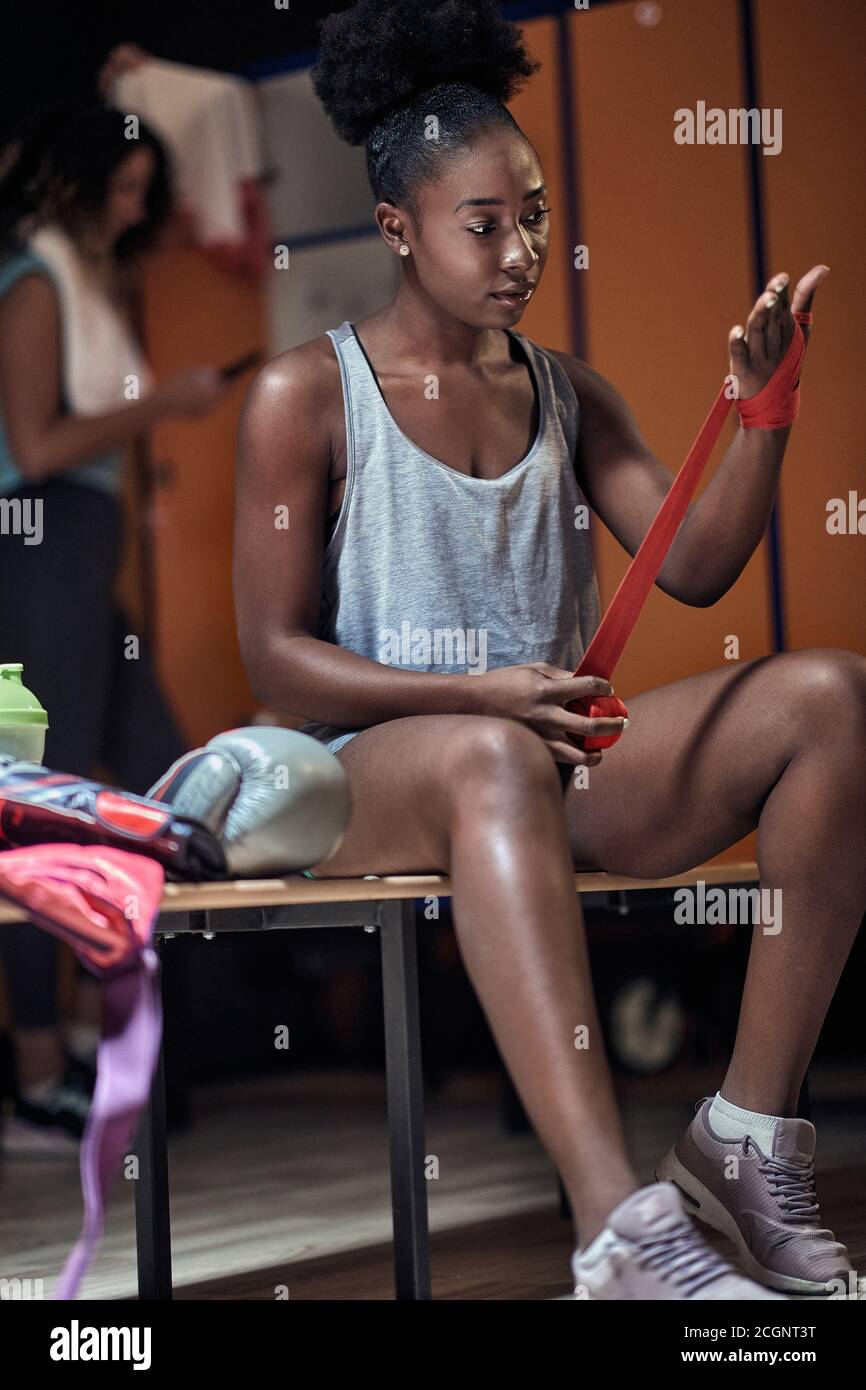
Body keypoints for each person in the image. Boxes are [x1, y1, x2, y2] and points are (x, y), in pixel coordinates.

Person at [232, 0, 863, 1300]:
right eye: (484, 224)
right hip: (368, 775)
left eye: (531, 213)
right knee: (487, 756)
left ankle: (743, 1136)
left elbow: (694, 565)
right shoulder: (303, 395)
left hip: (539, 768)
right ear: (398, 229)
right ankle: (613, 1232)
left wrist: (765, 412)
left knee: (830, 700)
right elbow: (276, 664)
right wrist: (480, 691)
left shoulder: (566, 391)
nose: (522, 248)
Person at [0, 104, 232, 1155]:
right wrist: (163, 407)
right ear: (80, 185)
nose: (136, 206)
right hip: (39, 542)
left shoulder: (88, 283)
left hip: (80, 553)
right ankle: (38, 1072)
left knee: (153, 769)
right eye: (126, 187)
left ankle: (102, 1034)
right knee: (39, 799)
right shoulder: (38, 286)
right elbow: (37, 445)